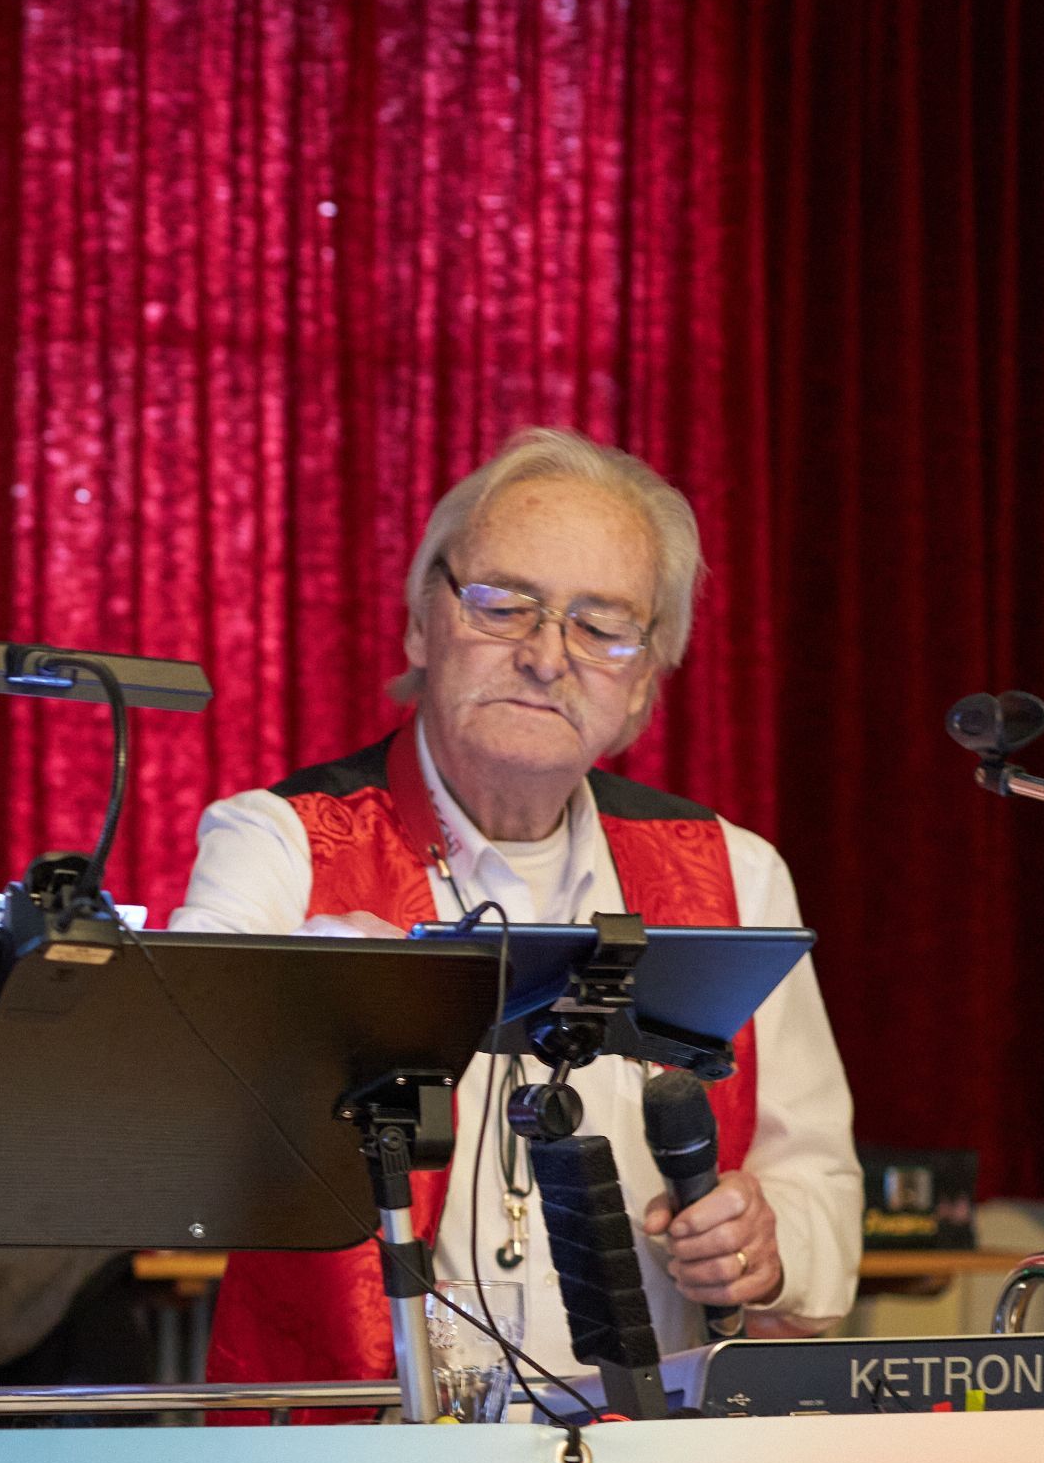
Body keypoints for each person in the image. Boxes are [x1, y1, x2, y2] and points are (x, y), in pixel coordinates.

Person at [168, 427, 863, 1399]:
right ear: (422, 624)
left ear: (645, 682)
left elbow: (821, 1190)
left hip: (657, 1457)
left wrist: (766, 1241)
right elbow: (176, 1131)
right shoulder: (280, 844)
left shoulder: (735, 875)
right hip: (354, 1457)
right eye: (505, 605)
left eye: (601, 625)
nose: (546, 657)